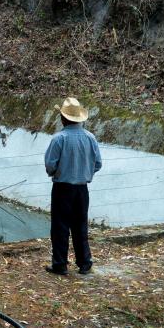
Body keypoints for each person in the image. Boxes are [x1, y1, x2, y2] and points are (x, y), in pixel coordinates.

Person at [43, 97, 103, 276]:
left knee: (60, 226)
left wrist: (58, 172)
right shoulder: (90, 138)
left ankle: (60, 264)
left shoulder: (59, 139)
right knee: (80, 225)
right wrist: (85, 172)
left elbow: (50, 165)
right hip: (82, 188)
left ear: (63, 118)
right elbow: (98, 163)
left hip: (62, 188)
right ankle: (84, 262)